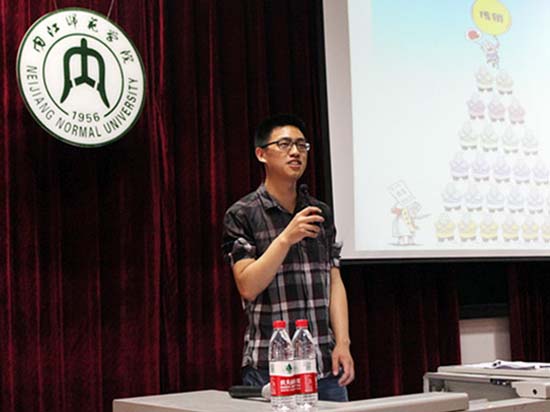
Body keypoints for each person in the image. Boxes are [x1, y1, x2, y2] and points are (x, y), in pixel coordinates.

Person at [222, 114, 354, 401]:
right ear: (261, 154)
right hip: (270, 368)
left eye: (301, 145)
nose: (295, 152)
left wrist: (342, 342)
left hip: (324, 366)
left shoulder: (319, 212)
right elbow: (247, 286)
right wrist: (285, 238)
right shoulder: (242, 214)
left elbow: (334, 281)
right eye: (284, 144)